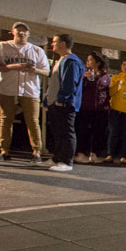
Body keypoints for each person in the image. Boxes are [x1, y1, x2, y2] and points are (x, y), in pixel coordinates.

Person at [0, 21, 49, 163]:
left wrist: (34, 70)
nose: (21, 33)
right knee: (5, 119)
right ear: (12, 32)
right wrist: (15, 66)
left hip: (30, 89)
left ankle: (37, 151)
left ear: (28, 34)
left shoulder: (36, 50)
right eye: (18, 30)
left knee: (33, 121)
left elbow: (46, 71)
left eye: (24, 31)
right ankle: (4, 150)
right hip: (7, 87)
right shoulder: (2, 46)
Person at [45, 34, 85, 172]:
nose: (52, 44)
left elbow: (69, 83)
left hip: (64, 103)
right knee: (58, 131)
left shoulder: (71, 61)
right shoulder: (62, 59)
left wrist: (61, 99)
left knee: (66, 131)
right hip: (55, 101)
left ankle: (66, 161)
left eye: (54, 42)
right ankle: (57, 157)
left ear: (62, 44)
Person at [73, 52, 110, 164]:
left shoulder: (105, 76)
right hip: (85, 106)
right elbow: (76, 86)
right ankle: (80, 153)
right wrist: (83, 78)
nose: (87, 62)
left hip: (99, 108)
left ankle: (94, 154)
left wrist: (107, 104)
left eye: (90, 60)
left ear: (97, 62)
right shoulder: (83, 73)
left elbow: (108, 91)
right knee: (82, 130)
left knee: (98, 131)